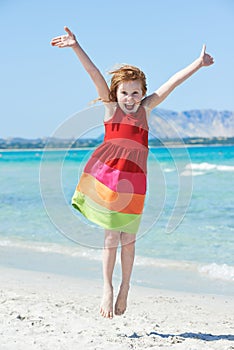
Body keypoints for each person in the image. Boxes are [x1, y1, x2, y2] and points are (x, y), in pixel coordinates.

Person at [50, 26, 214, 319]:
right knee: (111, 237)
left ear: (143, 93)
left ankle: (126, 286)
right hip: (110, 182)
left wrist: (197, 64)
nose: (130, 98)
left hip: (136, 183)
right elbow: (94, 75)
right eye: (125, 92)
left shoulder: (146, 110)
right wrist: (76, 46)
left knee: (130, 240)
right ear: (116, 93)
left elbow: (172, 83)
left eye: (135, 92)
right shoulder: (110, 109)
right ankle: (107, 287)